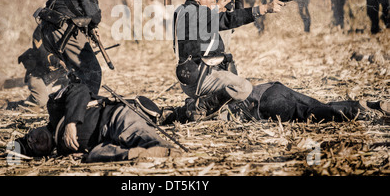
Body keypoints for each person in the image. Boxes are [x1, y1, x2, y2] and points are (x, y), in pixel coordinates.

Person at [170, 0, 285, 122]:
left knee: (224, 116)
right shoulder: (192, 12)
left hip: (197, 75)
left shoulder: (190, 11)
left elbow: (225, 20)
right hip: (199, 78)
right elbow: (216, 20)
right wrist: (217, 7)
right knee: (243, 88)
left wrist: (262, 8)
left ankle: (190, 110)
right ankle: (200, 106)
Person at [14, 82, 180, 162]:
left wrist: (71, 123)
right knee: (94, 156)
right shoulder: (63, 151)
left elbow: (79, 88)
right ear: (41, 154)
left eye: (30, 136)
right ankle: (139, 155)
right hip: (106, 141)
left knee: (133, 131)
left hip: (114, 118)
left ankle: (164, 150)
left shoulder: (55, 108)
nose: (35, 139)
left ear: (33, 128)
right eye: (33, 145)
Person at [36, 0, 110, 96]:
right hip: (64, 32)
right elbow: (94, 16)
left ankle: (65, 111)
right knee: (92, 72)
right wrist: (93, 25)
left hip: (49, 30)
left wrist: (88, 27)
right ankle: (83, 113)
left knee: (76, 76)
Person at [162, 81, 390, 124]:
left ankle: (358, 110)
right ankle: (367, 104)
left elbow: (194, 115)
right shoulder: (211, 94)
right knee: (319, 105)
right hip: (272, 87)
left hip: (265, 103)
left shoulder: (201, 109)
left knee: (310, 112)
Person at [11, 25, 68, 109]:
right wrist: (60, 62)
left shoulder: (75, 25)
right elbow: (42, 53)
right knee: (42, 102)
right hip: (40, 75)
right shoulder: (42, 28)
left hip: (61, 74)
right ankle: (16, 105)